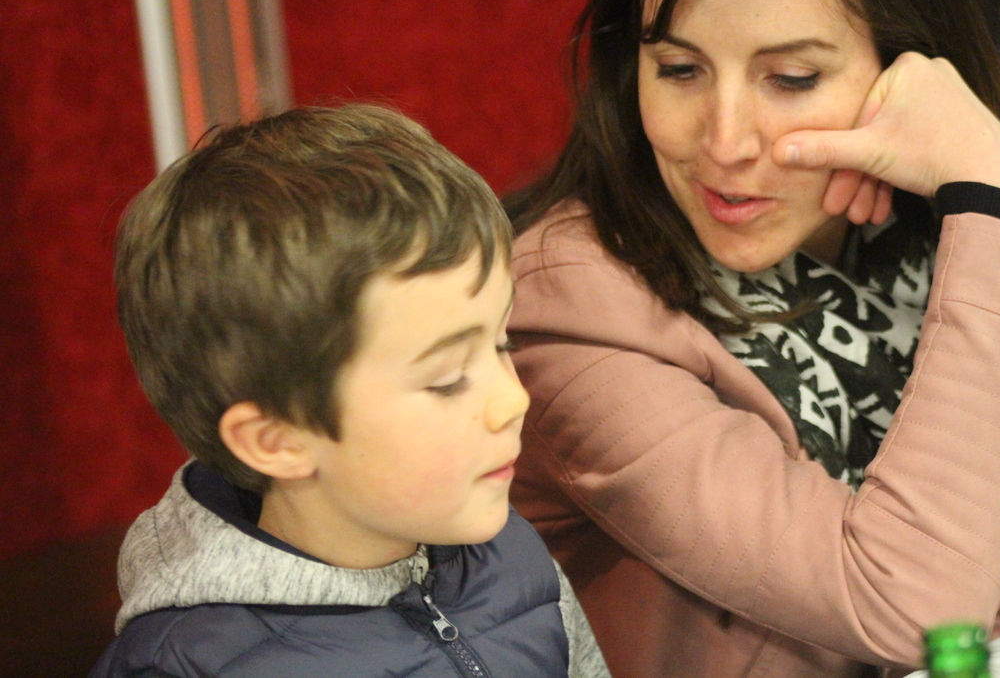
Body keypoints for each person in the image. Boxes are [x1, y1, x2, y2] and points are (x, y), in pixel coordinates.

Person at [503, 0, 1000, 675]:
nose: (726, 143)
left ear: (908, 72)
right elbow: (920, 612)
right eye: (680, 70)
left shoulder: (927, 226)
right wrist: (992, 200)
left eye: (791, 79)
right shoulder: (566, 304)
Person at [88, 104, 610, 678]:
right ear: (277, 439)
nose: (513, 400)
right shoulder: (190, 665)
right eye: (447, 379)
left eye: (501, 342)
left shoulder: (510, 557)